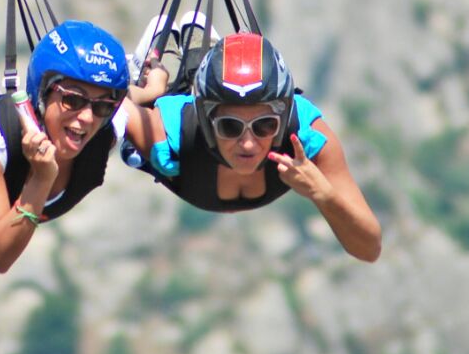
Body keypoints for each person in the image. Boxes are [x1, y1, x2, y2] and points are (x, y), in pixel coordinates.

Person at [0, 20, 164, 273]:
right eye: (73, 99)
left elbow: (127, 102)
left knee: (1, 108)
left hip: (11, 123)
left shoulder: (105, 125)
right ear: (43, 95)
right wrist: (41, 179)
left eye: (101, 106)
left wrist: (155, 87)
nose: (88, 117)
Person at [123, 31, 382, 262]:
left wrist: (324, 195)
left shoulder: (306, 141)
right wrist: (150, 92)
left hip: (195, 167)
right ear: (207, 121)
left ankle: (200, 50)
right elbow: (109, 101)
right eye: (230, 127)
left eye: (264, 126)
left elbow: (369, 249)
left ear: (281, 122)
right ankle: (177, 75)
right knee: (132, 143)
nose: (248, 143)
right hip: (180, 138)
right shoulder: (169, 133)